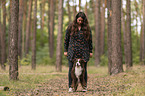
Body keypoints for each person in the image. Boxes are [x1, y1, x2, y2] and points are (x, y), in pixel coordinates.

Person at [64, 12, 93, 92]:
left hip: (84, 51)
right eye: (79, 20)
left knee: (84, 69)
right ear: (76, 19)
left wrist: (90, 51)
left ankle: (84, 86)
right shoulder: (71, 27)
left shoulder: (87, 28)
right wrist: (65, 50)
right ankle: (71, 86)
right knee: (71, 69)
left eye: (82, 21)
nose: (80, 22)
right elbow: (66, 39)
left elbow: (90, 40)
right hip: (72, 51)